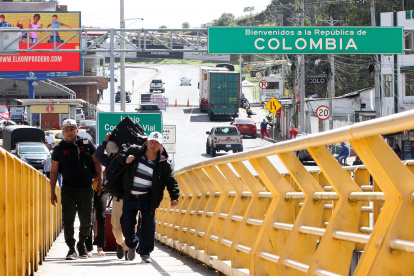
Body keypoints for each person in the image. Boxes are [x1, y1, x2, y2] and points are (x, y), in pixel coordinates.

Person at [116, 131, 180, 263]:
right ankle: (132, 244)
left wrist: (174, 196)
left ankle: (145, 253)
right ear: (147, 141)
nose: (153, 144)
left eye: (156, 142)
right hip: (130, 195)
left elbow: (170, 180)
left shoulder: (164, 163)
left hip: (148, 198)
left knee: (149, 226)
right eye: (151, 141)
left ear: (160, 145)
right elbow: (119, 155)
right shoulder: (135, 150)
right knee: (126, 223)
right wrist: (125, 159)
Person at [49, 119, 102, 260]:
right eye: (66, 130)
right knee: (68, 220)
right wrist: (52, 191)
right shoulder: (59, 148)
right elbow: (54, 171)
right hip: (68, 189)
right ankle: (71, 248)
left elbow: (97, 162)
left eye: (72, 129)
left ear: (77, 131)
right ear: (63, 132)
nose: (69, 132)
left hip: (86, 188)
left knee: (86, 221)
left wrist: (101, 181)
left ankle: (82, 243)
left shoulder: (87, 143)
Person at [94, 132, 130, 259]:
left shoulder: (128, 157)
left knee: (132, 225)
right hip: (118, 197)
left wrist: (105, 141)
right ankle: (124, 245)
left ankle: (127, 246)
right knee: (116, 226)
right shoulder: (109, 161)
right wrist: (104, 141)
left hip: (130, 197)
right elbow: (98, 155)